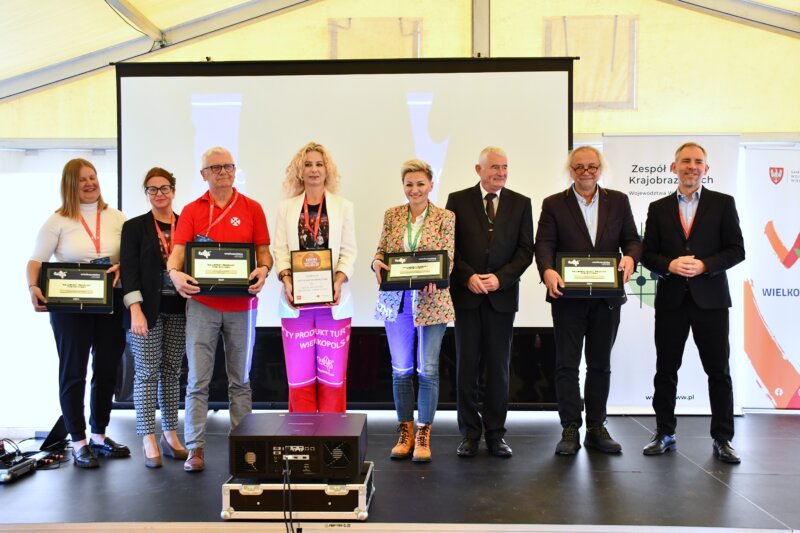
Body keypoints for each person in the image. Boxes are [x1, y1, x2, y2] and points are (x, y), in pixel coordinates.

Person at [166, 147, 273, 472]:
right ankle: (195, 448)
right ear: (204, 174)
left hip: (243, 306)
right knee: (198, 381)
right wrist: (174, 274)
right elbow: (177, 253)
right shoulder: (191, 210)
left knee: (240, 381)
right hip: (202, 305)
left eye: (228, 166)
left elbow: (264, 252)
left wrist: (264, 270)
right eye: (215, 167)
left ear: (235, 170)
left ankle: (245, 449)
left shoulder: (252, 208)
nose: (223, 172)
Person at [641, 142, 745, 464]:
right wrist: (669, 264)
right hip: (671, 301)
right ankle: (664, 432)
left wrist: (706, 265)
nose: (692, 166)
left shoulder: (723, 204)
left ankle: (723, 438)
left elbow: (737, 250)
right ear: (674, 168)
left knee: (719, 372)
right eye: (685, 161)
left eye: (698, 161)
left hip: (711, 301)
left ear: (706, 169)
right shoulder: (658, 208)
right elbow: (647, 254)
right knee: (665, 370)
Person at [534, 146, 642, 455]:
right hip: (567, 298)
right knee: (566, 365)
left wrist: (631, 258)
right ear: (570, 170)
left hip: (606, 299)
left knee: (600, 364)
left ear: (600, 168)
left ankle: (596, 427)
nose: (586, 171)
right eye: (579, 167)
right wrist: (547, 270)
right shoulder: (554, 204)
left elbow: (632, 240)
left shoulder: (618, 201)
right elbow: (544, 244)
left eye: (591, 166)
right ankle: (570, 428)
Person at [26, 158, 131, 468]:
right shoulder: (58, 220)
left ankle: (99, 436)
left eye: (93, 177)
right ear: (70, 185)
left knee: (107, 369)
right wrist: (33, 287)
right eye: (82, 179)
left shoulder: (116, 217)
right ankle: (78, 441)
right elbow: (35, 260)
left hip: (110, 302)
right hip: (70, 308)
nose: (90, 183)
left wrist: (122, 266)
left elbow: (132, 257)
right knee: (74, 371)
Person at [445, 146, 534, 458]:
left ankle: (496, 435)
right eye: (495, 167)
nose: (501, 172)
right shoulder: (457, 200)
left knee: (499, 369)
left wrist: (501, 278)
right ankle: (469, 434)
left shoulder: (521, 203)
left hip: (501, 298)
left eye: (505, 167)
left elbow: (525, 250)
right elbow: (450, 247)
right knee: (466, 368)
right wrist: (467, 276)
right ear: (478, 169)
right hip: (467, 297)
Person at [373, 159, 455, 463]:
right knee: (400, 370)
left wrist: (439, 276)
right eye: (409, 184)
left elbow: (448, 257)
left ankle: (423, 434)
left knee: (428, 369)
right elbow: (382, 250)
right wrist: (375, 262)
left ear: (431, 185)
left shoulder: (446, 217)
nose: (415, 189)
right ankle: (404, 433)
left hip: (432, 300)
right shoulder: (392, 215)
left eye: (420, 184)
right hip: (396, 300)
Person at [273, 142, 357, 412]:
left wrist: (338, 281)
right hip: (295, 303)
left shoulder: (343, 206)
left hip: (333, 303)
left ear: (327, 169)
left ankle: (333, 436)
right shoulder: (286, 207)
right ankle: (303, 433)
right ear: (299, 171)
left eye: (319, 164)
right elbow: (280, 249)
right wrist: (286, 280)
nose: (314, 169)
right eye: (308, 164)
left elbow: (349, 251)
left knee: (332, 378)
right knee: (300, 379)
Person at [120, 167, 188, 468]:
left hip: (180, 309)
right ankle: (148, 436)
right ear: (146, 193)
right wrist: (135, 309)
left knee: (172, 371)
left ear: (173, 190)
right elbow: (129, 271)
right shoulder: (134, 227)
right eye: (152, 189)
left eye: (164, 188)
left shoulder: (186, 224)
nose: (159, 193)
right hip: (145, 312)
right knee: (147, 372)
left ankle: (170, 434)